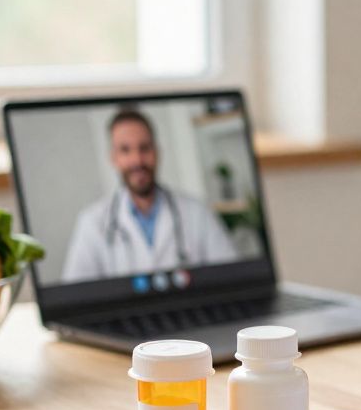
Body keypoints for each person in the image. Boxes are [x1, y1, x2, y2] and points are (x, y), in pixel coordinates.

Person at [63, 109, 238, 282]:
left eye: (144, 148)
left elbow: (233, 277)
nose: (137, 160)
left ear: (157, 152)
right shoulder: (92, 223)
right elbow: (75, 295)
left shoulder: (197, 212)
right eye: (125, 150)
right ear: (114, 158)